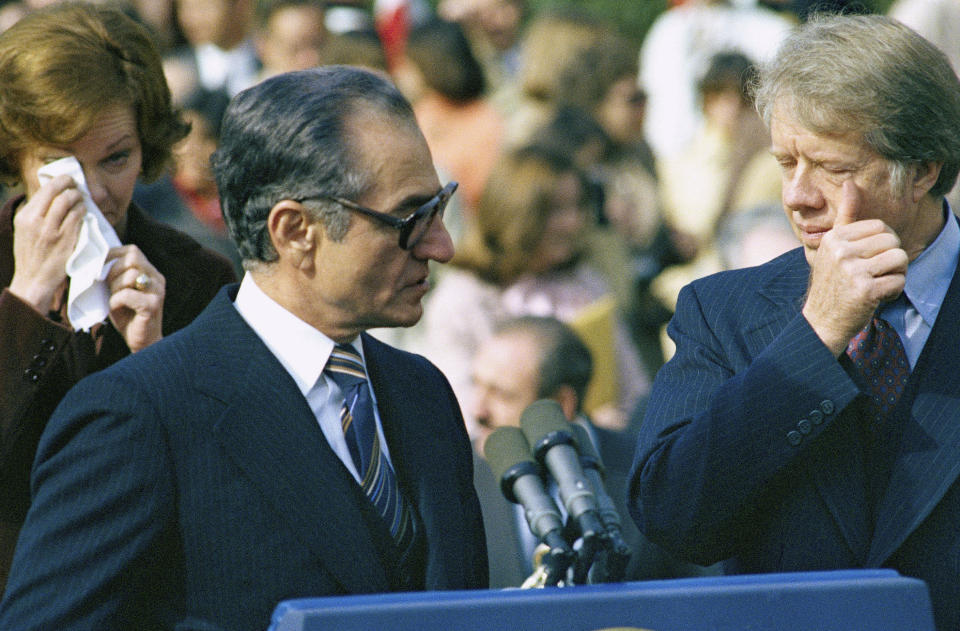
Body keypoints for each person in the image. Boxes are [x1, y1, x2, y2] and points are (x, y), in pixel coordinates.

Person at [0, 65, 487, 630]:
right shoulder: (143, 412)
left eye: (440, 207)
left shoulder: (421, 392)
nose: (442, 245)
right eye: (410, 219)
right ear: (295, 231)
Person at [627, 14, 960, 631]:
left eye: (832, 168)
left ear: (923, 170)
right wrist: (815, 337)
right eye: (786, 163)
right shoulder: (722, 310)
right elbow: (673, 516)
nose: (797, 196)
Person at [0, 1, 236, 594]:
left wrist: (150, 358)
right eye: (62, 166)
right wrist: (26, 301)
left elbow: (218, 484)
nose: (96, 192)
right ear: (17, 157)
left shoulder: (194, 275)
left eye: (116, 159)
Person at [471, 315, 712, 588]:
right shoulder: (460, 479)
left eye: (502, 394)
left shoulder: (654, 476)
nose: (478, 411)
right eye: (476, 385)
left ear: (560, 405)